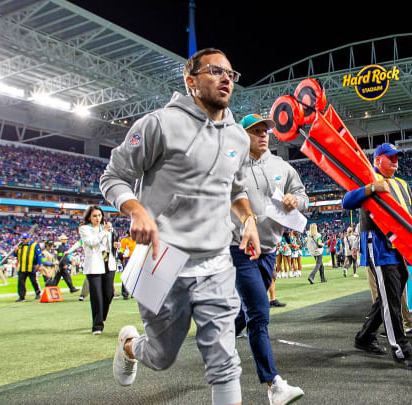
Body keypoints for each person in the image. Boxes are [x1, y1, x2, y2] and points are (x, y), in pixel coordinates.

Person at [101, 48, 260, 405]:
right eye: (216, 71)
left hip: (217, 262)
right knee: (161, 355)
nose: (226, 79)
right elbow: (114, 177)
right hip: (161, 259)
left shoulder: (237, 137)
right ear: (191, 81)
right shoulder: (159, 124)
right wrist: (136, 210)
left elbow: (235, 188)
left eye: (230, 74)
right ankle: (129, 346)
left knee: (225, 364)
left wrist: (247, 219)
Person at [341, 143, 412, 370]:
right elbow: (346, 201)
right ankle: (401, 350)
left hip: (398, 247)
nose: (396, 161)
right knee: (390, 298)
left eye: (397, 157)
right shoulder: (368, 177)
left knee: (391, 296)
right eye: (390, 157)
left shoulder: (402, 184)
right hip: (378, 245)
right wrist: (370, 189)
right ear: (378, 160)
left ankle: (365, 337)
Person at [229, 113, 306, 404]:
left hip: (270, 251)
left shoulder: (282, 167)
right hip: (239, 249)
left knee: (244, 314)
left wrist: (295, 200)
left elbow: (303, 196)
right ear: (243, 135)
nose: (263, 135)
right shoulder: (231, 165)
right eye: (256, 131)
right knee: (260, 314)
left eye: (266, 131)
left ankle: (216, 342)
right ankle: (273, 384)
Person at [79, 205, 116, 335]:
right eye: (94, 216)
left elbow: (110, 244)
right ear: (89, 216)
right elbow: (92, 242)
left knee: (109, 293)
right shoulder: (84, 229)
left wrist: (115, 244)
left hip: (108, 263)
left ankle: (102, 317)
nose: (97, 218)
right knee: (96, 296)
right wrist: (104, 232)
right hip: (94, 265)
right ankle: (97, 325)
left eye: (99, 215)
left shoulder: (106, 227)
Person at [14, 233, 42, 302]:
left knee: (33, 281)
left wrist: (38, 264)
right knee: (21, 282)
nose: (23, 240)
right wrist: (15, 250)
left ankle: (38, 292)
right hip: (22, 267)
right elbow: (15, 255)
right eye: (22, 239)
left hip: (31, 267)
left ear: (29, 238)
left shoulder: (34, 245)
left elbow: (39, 255)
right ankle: (22, 296)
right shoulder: (20, 245)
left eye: (25, 239)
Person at [119, 232, 136, 299]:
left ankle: (133, 293)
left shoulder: (136, 240)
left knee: (134, 276)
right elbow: (122, 250)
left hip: (135, 259)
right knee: (126, 276)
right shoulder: (125, 240)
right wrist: (122, 255)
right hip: (127, 259)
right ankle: (125, 293)